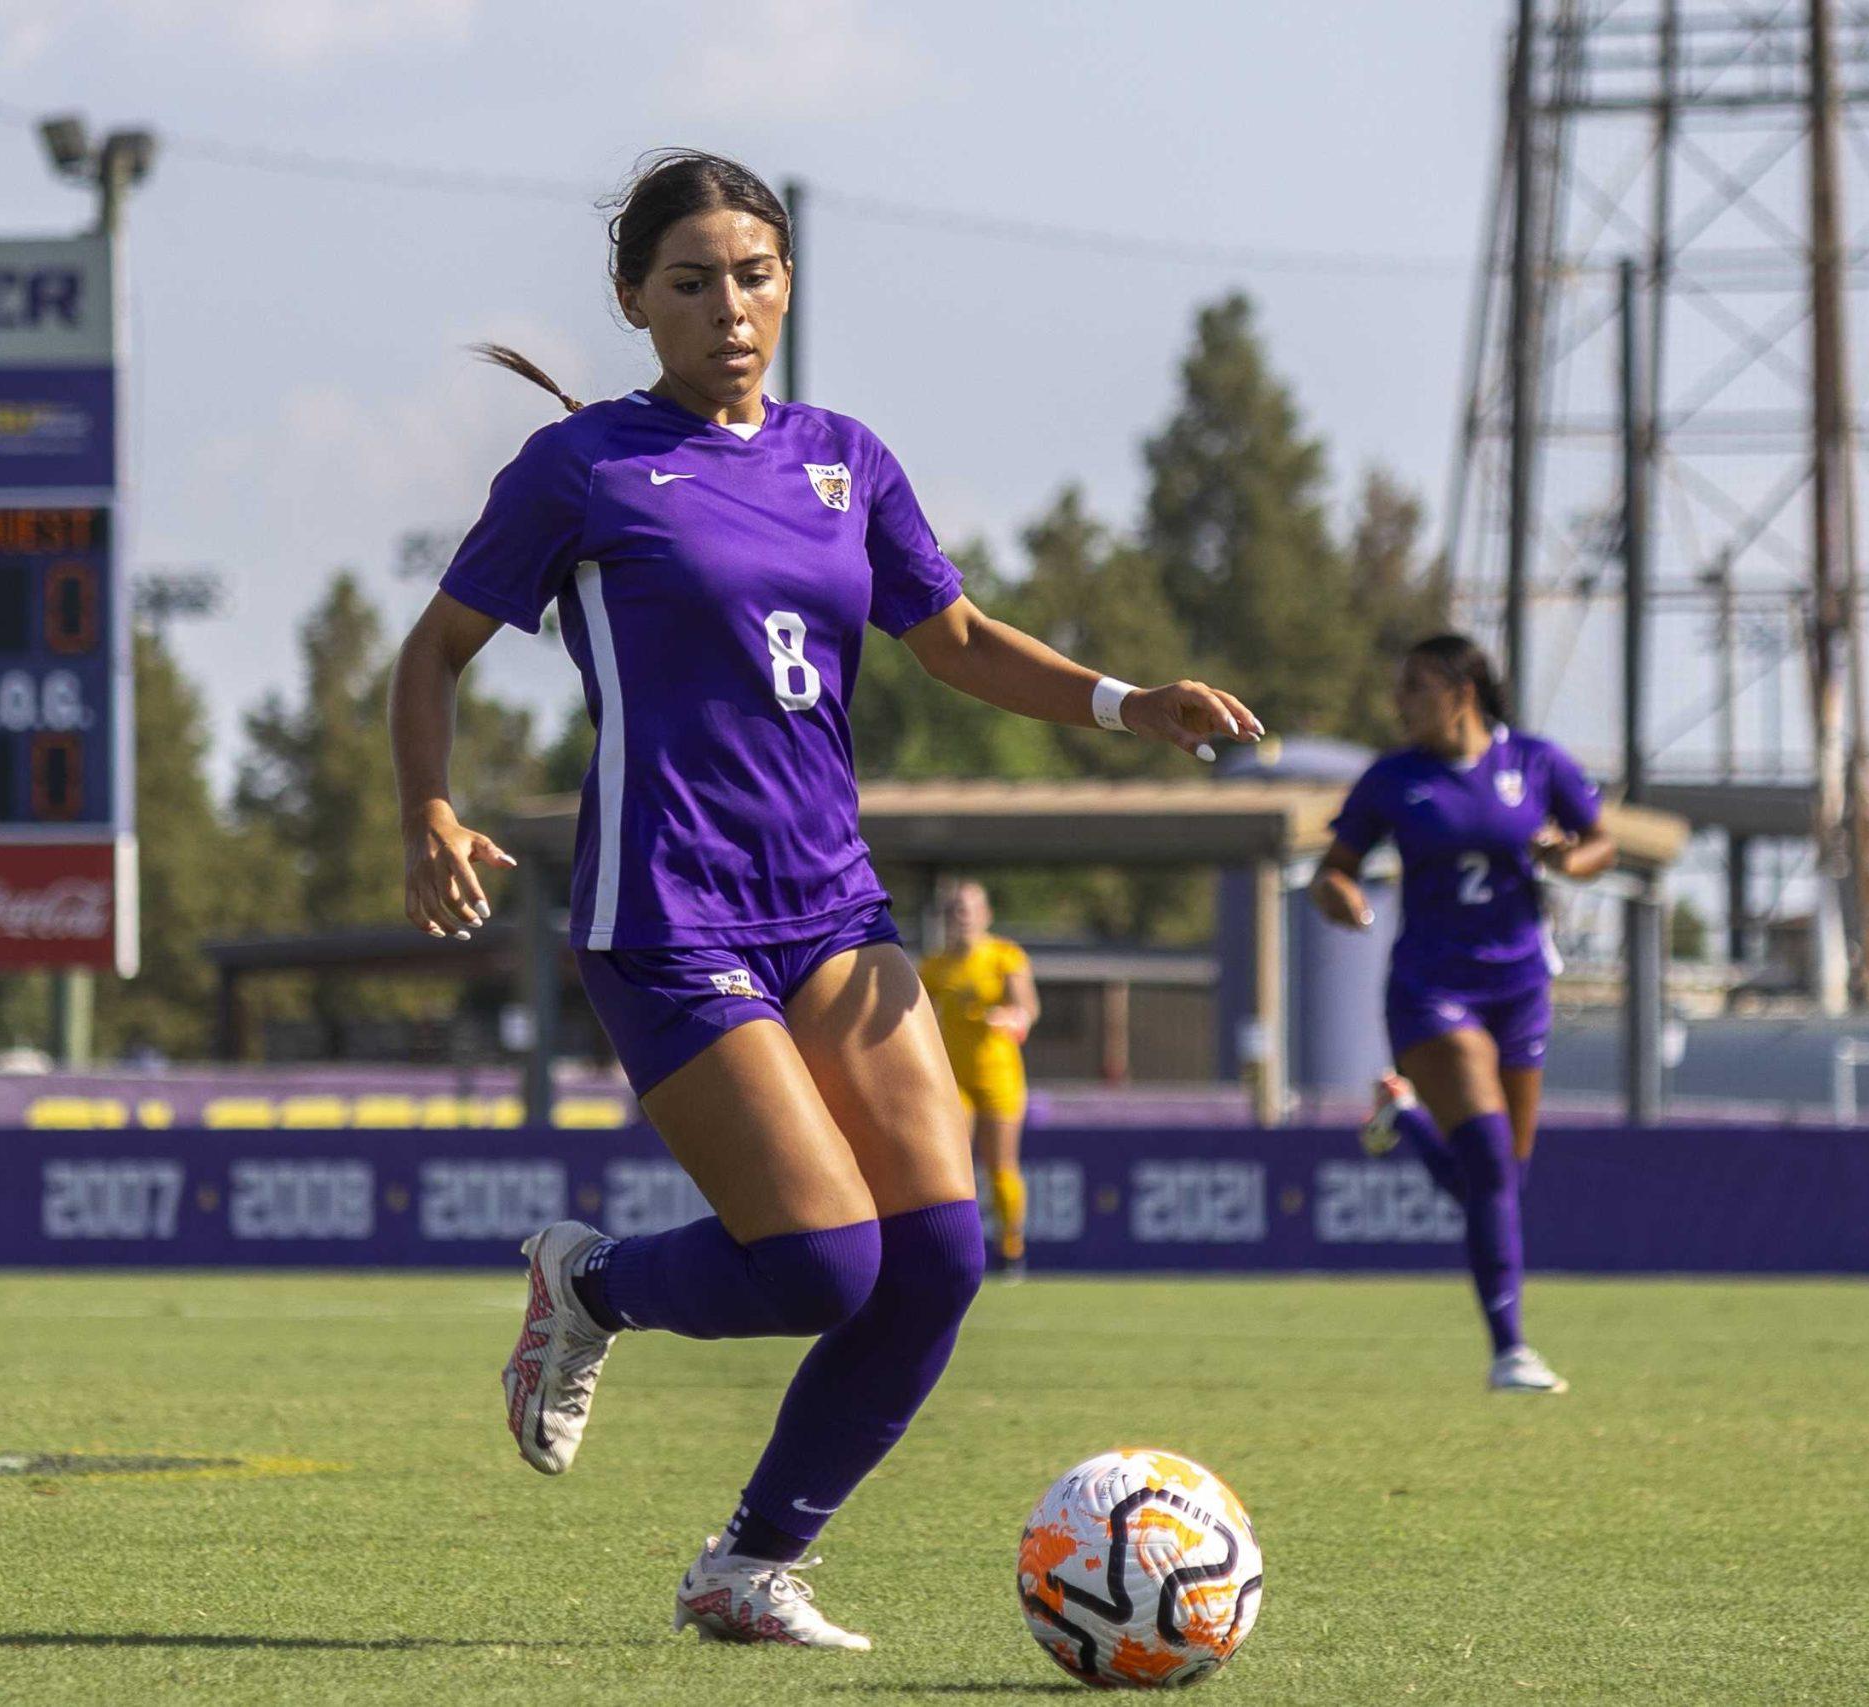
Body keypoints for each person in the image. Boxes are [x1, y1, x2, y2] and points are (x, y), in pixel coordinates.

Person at [388, 149, 1262, 1651]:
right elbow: (431, 652)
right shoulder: (581, 470)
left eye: (756, 274)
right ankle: (589, 1281)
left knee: (935, 1255)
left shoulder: (844, 456)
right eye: (692, 281)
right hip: (667, 910)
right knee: (818, 1259)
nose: (731, 306)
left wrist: (1130, 702)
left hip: (831, 911)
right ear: (632, 300)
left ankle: (749, 1563)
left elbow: (961, 636)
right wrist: (429, 809)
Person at [1310, 634, 1614, 1395]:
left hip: (1519, 987)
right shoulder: (1392, 778)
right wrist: (1340, 897)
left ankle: (1405, 1118)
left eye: (1414, 686)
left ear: (1461, 693)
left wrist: (1566, 859)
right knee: (1486, 1161)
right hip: (1431, 989)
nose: (1400, 702)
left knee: (1502, 1172)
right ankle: (1509, 1349)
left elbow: (1600, 841)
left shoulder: (1537, 762)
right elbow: (1333, 870)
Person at [919, 882, 1040, 1279]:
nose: (963, 917)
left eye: (970, 909)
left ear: (986, 915)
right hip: (954, 1077)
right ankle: (957, 1252)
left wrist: (1011, 1018)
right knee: (953, 1169)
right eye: (956, 910)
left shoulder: (1005, 956)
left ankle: (1011, 1246)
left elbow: (1027, 1007)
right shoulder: (934, 967)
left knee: (1000, 1165)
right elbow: (917, 1018)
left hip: (998, 1074)